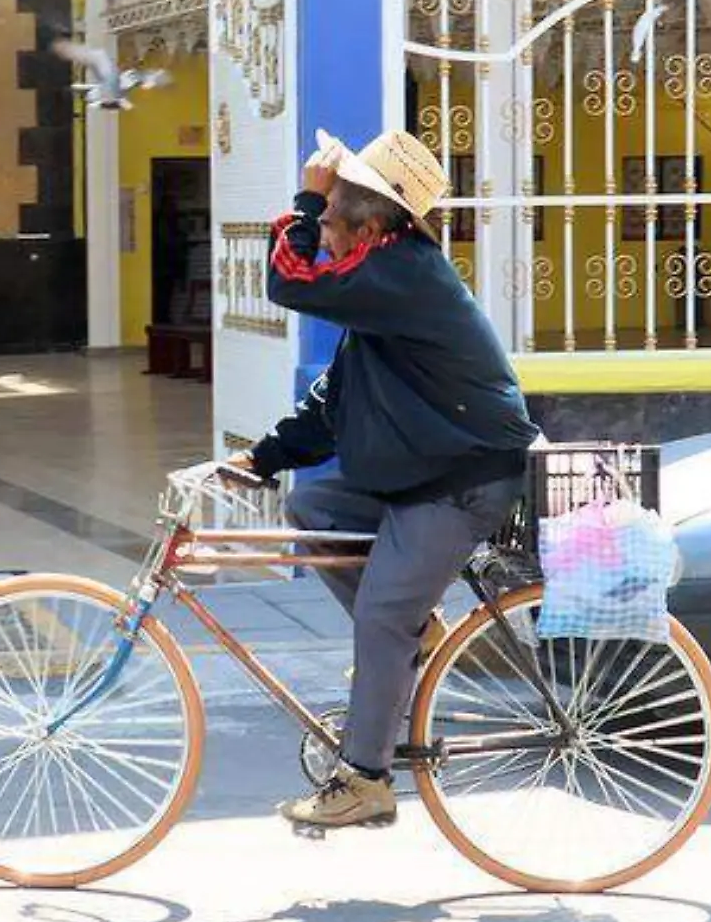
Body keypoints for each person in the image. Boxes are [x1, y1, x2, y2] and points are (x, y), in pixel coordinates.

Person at [227, 129, 540, 829]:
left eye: (333, 218)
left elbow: (287, 280)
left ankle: (364, 780)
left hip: (462, 479)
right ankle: (418, 636)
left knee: (379, 616)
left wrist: (305, 196)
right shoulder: (383, 285)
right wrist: (262, 460)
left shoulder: (403, 274)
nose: (324, 231)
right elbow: (334, 401)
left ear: (369, 226)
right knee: (316, 504)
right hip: (420, 467)